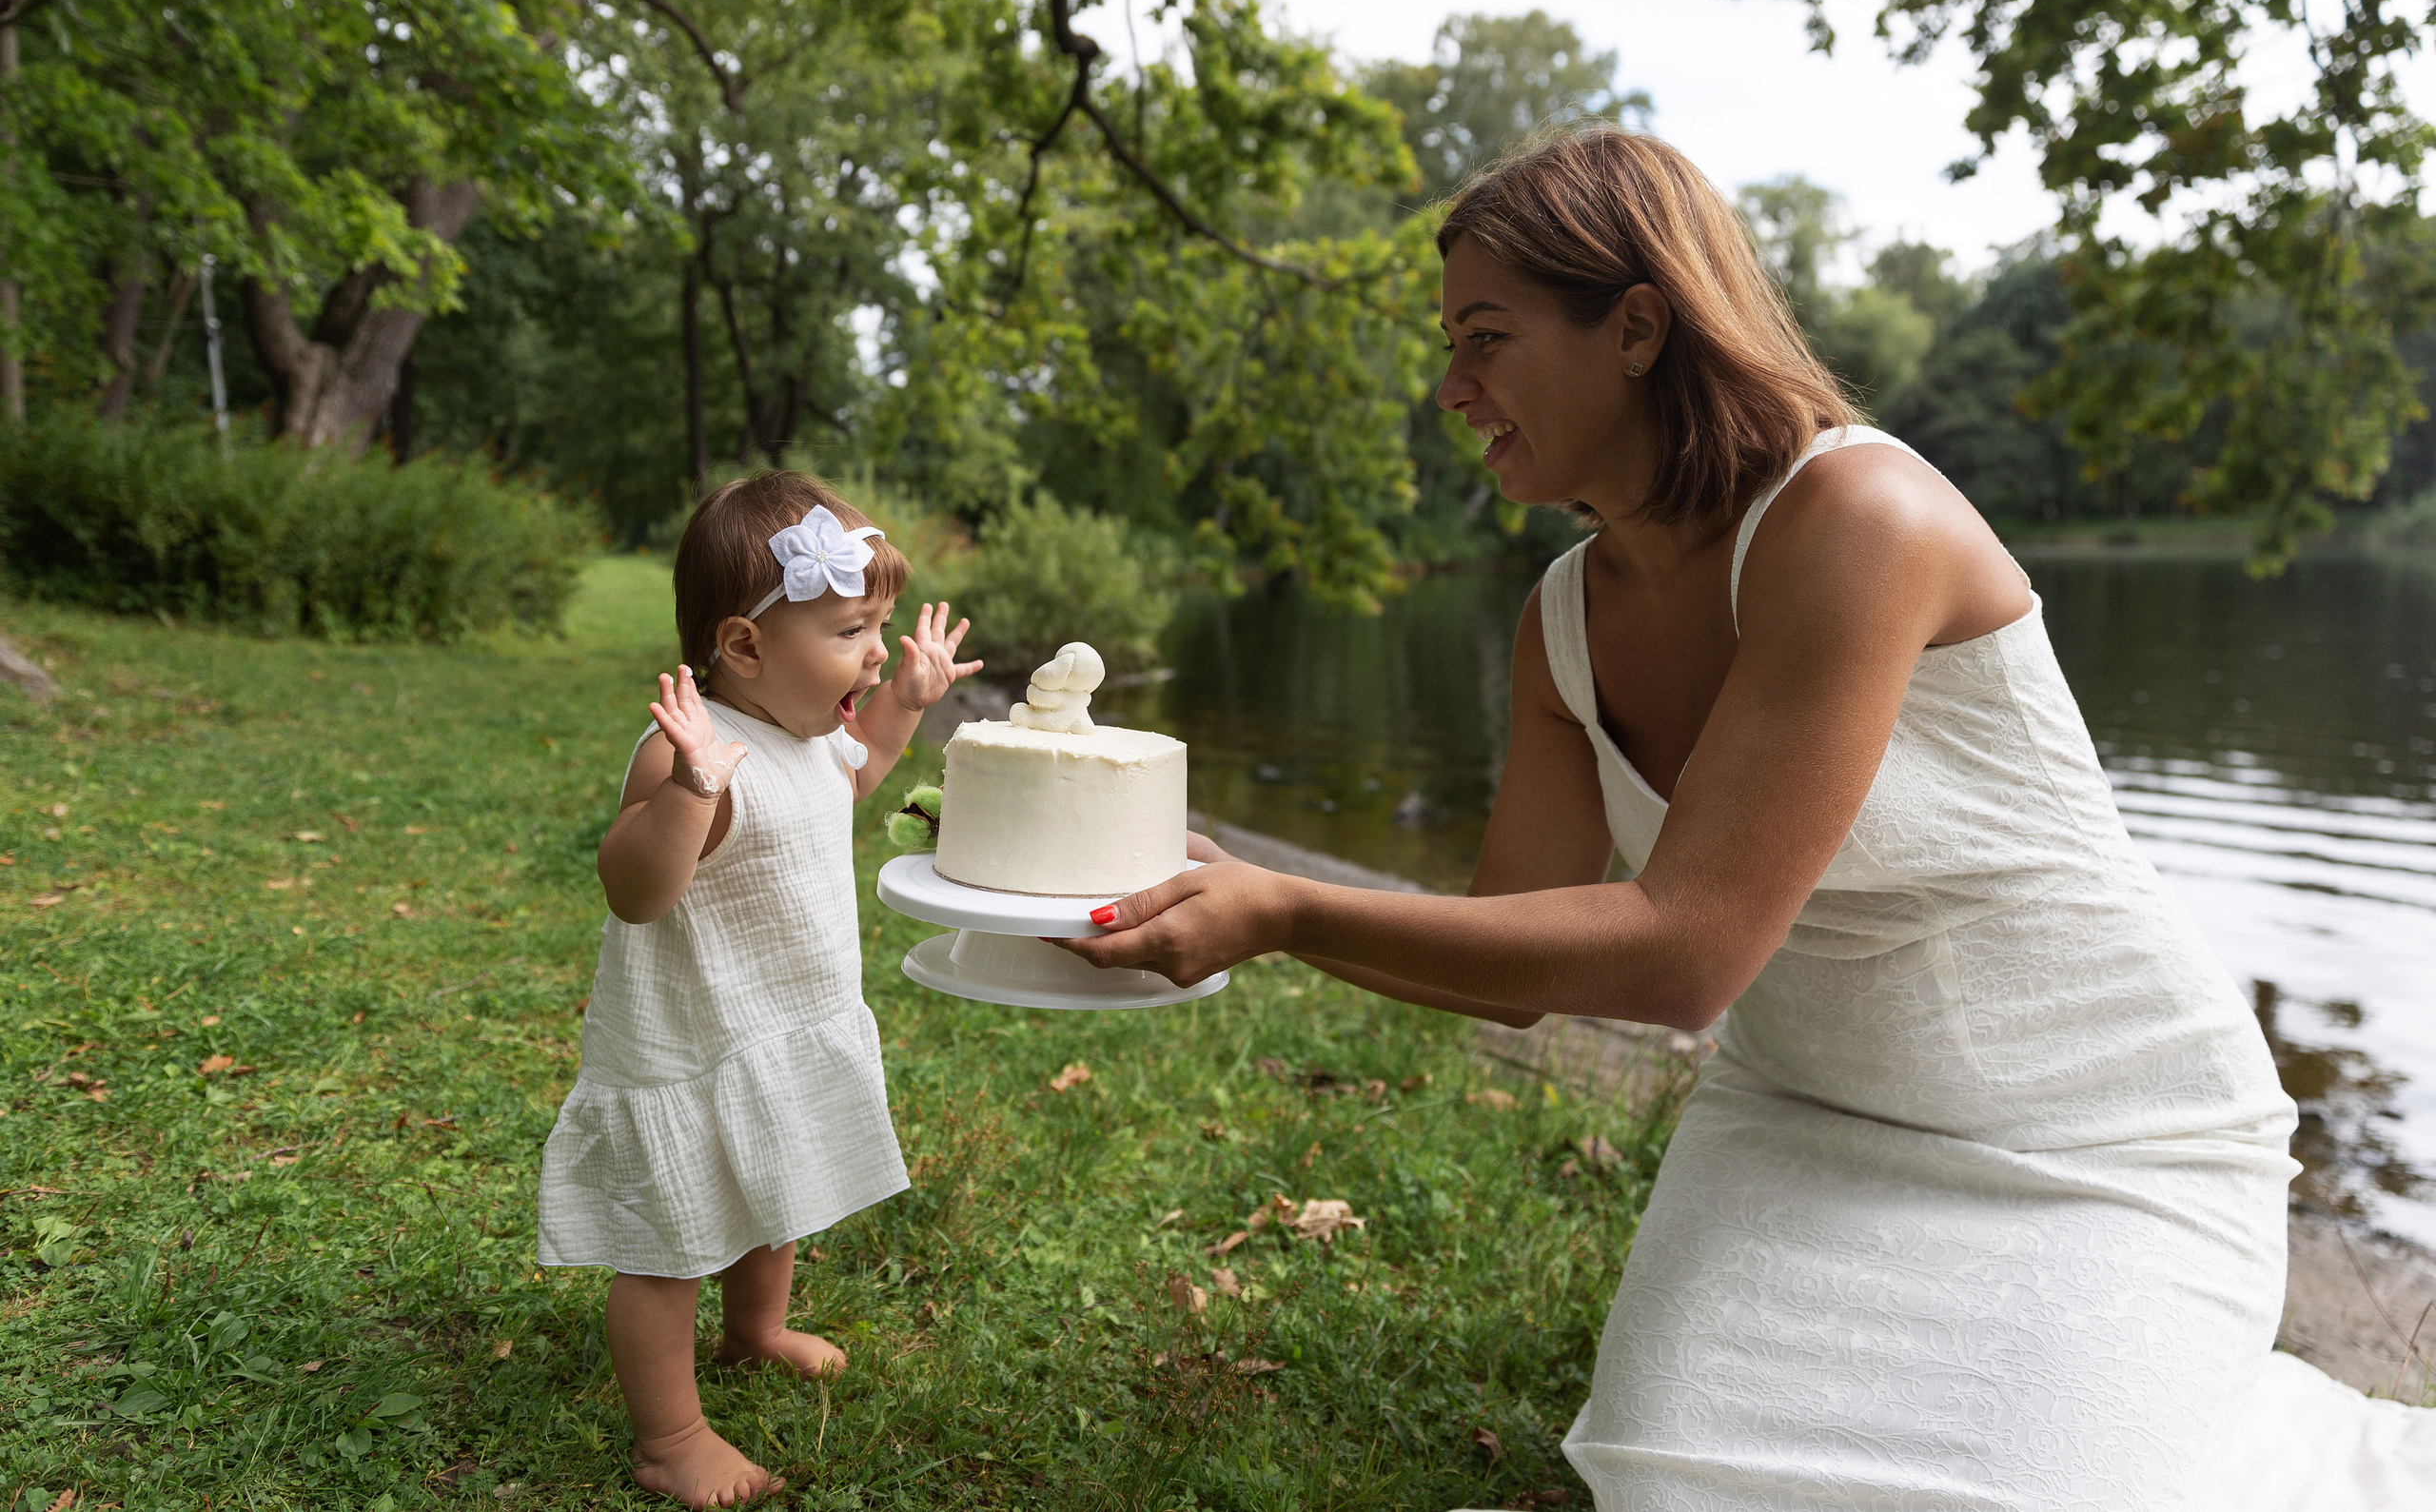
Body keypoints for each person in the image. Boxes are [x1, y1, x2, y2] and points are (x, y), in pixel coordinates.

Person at [1065, 129, 2436, 1507]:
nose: (1451, 387)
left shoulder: (1859, 514)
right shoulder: (1561, 620)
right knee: (1674, 1482)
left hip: (2105, 1132)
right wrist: (1239, 898)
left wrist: (1290, 906)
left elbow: (1686, 955)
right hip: (1810, 1113)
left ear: (1639, 327)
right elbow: (1506, 957)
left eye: (1486, 338)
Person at [538, 472, 980, 1509]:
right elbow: (635, 891)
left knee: (774, 1190)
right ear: (742, 648)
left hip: (778, 1022)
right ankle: (672, 1438)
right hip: (695, 1042)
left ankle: (754, 1331)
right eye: (850, 630)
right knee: (670, 1244)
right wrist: (690, 789)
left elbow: (853, 776)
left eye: (877, 626)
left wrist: (905, 705)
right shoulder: (694, 756)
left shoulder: (809, 728)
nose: (875, 651)